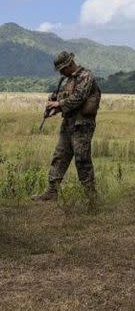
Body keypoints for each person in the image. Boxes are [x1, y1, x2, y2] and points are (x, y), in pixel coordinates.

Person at [32, 51, 101, 205]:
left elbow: (79, 97)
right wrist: (54, 109)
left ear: (70, 64)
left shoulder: (86, 76)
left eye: (62, 68)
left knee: (82, 159)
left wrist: (58, 104)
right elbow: (65, 100)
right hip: (68, 124)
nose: (61, 72)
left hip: (82, 125)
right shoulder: (66, 80)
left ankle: (91, 197)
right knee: (60, 156)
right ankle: (51, 191)